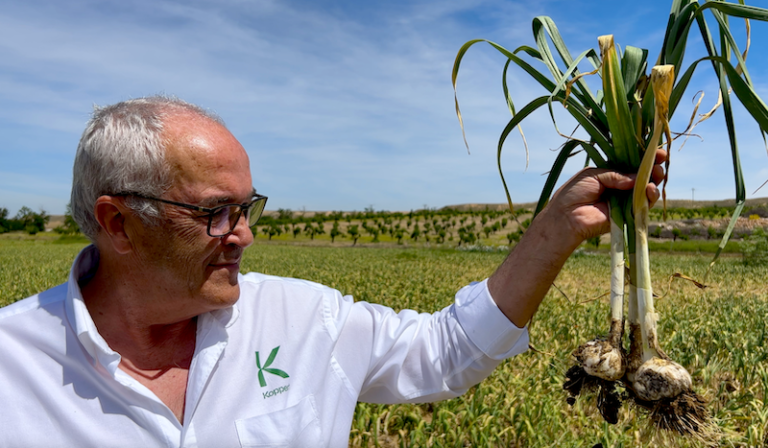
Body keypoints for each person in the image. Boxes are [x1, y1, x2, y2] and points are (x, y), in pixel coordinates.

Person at [0, 96, 664, 447]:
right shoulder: (12, 368)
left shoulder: (304, 319)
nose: (246, 236)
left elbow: (448, 353)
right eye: (216, 213)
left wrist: (555, 230)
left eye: (248, 207)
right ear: (118, 223)